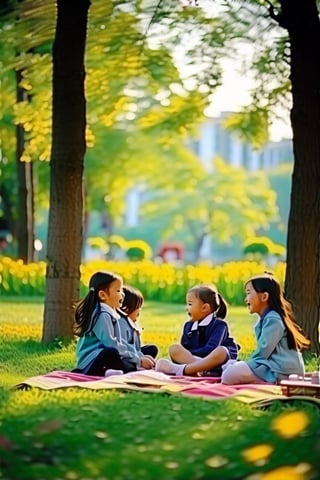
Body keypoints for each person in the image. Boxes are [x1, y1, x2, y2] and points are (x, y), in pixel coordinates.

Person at [221, 272, 310, 385]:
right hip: (273, 366)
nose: (246, 299)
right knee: (230, 365)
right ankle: (256, 377)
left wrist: (248, 365)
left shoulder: (273, 319)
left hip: (283, 371)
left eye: (249, 293)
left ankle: (268, 381)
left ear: (264, 297)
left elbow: (263, 351)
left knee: (229, 375)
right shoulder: (267, 318)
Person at [73, 271, 147, 376]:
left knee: (123, 356)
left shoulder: (112, 314)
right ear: (103, 295)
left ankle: (120, 369)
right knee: (111, 353)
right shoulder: (101, 314)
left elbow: (121, 343)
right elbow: (111, 343)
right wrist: (137, 359)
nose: (123, 294)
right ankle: (112, 371)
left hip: (105, 356)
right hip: (90, 362)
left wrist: (138, 356)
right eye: (118, 290)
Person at [155, 284, 239, 376]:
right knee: (174, 349)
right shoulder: (188, 326)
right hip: (195, 359)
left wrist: (190, 354)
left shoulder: (219, 325)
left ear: (204, 308)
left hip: (216, 361)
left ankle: (185, 370)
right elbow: (185, 347)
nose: (186, 308)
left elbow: (211, 348)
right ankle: (201, 369)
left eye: (190, 304)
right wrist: (187, 354)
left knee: (221, 351)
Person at [118, 285, 158, 369]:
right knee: (123, 362)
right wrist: (139, 359)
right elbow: (123, 348)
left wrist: (142, 356)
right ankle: (133, 367)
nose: (140, 310)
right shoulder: (121, 323)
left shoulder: (132, 324)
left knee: (151, 349)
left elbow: (136, 348)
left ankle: (136, 365)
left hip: (132, 354)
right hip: (123, 355)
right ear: (126, 308)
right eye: (138, 307)